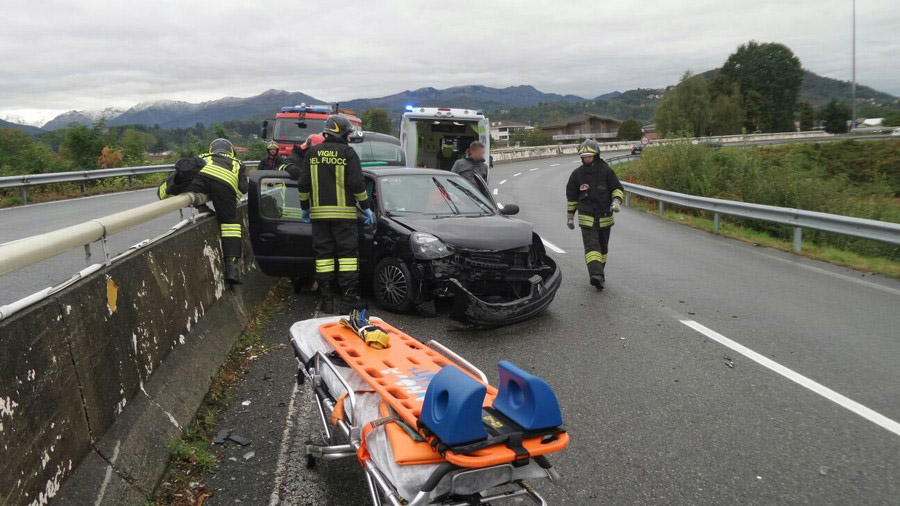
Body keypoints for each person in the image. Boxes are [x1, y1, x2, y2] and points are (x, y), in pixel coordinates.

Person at [298, 115, 373, 312]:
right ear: (341, 133)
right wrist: (365, 206)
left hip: (319, 216)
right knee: (347, 256)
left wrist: (305, 207)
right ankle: (348, 301)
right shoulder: (348, 153)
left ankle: (327, 300)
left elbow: (303, 184)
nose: (349, 137)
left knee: (323, 256)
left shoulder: (312, 153)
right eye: (348, 134)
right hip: (344, 217)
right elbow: (357, 184)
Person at [565, 139, 624, 290]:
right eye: (584, 156)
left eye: (589, 156)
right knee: (592, 247)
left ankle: (600, 273)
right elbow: (571, 198)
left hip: (605, 218)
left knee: (603, 249)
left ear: (596, 155)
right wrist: (570, 217)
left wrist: (616, 201)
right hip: (587, 219)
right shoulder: (576, 175)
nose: (586, 159)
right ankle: (595, 275)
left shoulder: (606, 171)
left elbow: (617, 188)